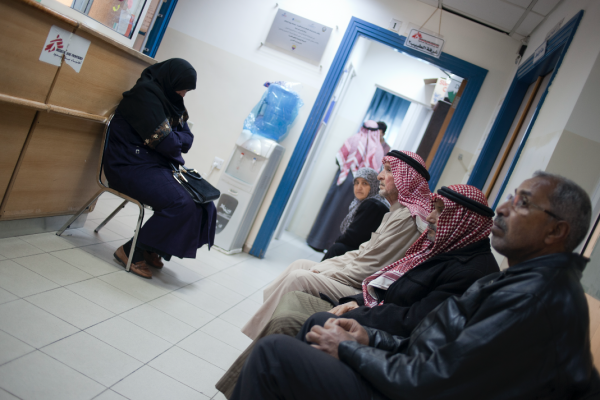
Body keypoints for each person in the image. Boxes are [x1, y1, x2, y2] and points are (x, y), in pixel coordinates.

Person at [231, 172, 600, 400]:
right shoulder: (523, 280)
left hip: (410, 390)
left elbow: (434, 379)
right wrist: (370, 339)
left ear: (556, 231)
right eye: (509, 197)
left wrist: (351, 350)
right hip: (408, 371)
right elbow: (437, 346)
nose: (502, 209)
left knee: (274, 355)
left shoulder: (531, 299)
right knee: (311, 330)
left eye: (522, 204)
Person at [217, 184, 499, 398]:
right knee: (299, 298)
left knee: (313, 318)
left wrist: (361, 314)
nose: (433, 217)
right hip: (375, 311)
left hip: (395, 350)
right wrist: (355, 301)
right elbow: (387, 282)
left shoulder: (470, 270)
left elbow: (415, 321)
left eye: (440, 211)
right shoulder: (444, 249)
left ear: (462, 221)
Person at [240, 150, 430, 340]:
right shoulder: (395, 212)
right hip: (357, 276)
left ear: (408, 180)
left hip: (365, 291)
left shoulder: (408, 219)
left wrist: (325, 272)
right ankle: (266, 327)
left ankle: (259, 339)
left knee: (299, 277)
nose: (380, 175)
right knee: (300, 264)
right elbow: (361, 252)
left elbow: (370, 268)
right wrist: (324, 267)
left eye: (388, 171)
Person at [104, 58, 216, 279]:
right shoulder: (144, 97)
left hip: (156, 166)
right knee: (180, 203)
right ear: (170, 80)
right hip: (129, 165)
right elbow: (169, 143)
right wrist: (174, 139)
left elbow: (187, 139)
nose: (183, 94)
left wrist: (174, 139)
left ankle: (151, 248)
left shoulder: (171, 101)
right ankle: (129, 250)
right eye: (182, 88)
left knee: (204, 202)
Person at [307, 120, 385, 251]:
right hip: (362, 187)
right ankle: (334, 245)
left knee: (331, 209)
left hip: (344, 180)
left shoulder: (353, 139)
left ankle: (317, 241)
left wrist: (350, 169)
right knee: (349, 214)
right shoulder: (378, 148)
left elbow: (339, 159)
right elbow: (375, 172)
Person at [322, 167, 390, 261]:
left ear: (374, 185)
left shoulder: (373, 205)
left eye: (365, 183)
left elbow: (353, 237)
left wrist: (337, 242)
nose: (359, 187)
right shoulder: (369, 202)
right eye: (356, 183)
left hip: (364, 256)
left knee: (337, 248)